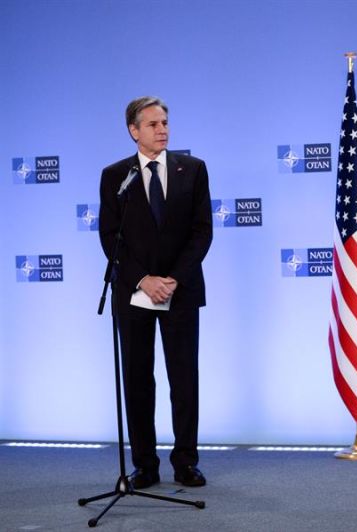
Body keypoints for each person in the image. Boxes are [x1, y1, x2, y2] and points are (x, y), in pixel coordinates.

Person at [99, 96, 213, 489]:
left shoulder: (193, 170)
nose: (162, 129)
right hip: (134, 294)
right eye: (153, 124)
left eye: (165, 122)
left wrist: (172, 279)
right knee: (138, 379)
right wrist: (143, 279)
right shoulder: (116, 176)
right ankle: (145, 466)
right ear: (134, 131)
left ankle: (186, 462)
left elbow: (201, 233)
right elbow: (110, 237)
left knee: (184, 378)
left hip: (180, 292)